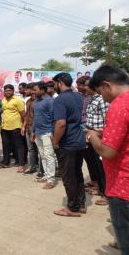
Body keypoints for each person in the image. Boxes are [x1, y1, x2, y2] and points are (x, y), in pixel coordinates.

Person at [86, 65, 129, 253]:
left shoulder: (119, 106)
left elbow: (108, 152)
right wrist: (106, 132)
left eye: (100, 93)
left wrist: (92, 136)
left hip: (123, 184)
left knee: (125, 234)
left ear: (107, 85)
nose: (102, 98)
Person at [51, 73, 86, 217]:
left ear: (59, 83)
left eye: (54, 83)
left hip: (67, 143)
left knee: (68, 176)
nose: (53, 87)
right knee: (77, 173)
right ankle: (81, 203)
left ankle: (73, 208)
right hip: (79, 141)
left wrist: (55, 141)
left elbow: (61, 123)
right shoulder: (79, 96)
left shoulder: (60, 99)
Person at [84, 77, 109, 206]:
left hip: (99, 136)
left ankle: (106, 194)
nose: (84, 88)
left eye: (87, 86)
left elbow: (107, 119)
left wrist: (101, 134)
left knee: (101, 167)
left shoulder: (102, 100)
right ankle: (99, 188)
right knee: (95, 165)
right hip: (91, 135)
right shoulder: (92, 99)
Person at [31, 82, 56, 189]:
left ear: (43, 90)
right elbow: (35, 118)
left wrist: (52, 133)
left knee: (49, 155)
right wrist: (33, 131)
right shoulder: (36, 102)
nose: (33, 92)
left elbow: (53, 118)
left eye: (35, 90)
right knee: (42, 155)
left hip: (47, 133)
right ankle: (46, 175)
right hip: (38, 132)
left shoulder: (50, 101)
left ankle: (51, 179)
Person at [0, 84, 26, 173]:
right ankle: (6, 162)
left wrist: (23, 126)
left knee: (18, 146)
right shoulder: (3, 100)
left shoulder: (18, 101)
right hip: (4, 127)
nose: (7, 92)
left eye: (9, 90)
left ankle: (21, 164)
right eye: (6, 90)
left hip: (16, 127)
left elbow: (23, 115)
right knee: (5, 145)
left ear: (13, 91)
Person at [22, 83, 39, 174]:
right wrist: (24, 126)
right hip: (28, 127)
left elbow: (37, 117)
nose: (25, 91)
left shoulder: (39, 101)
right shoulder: (28, 101)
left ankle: (42, 170)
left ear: (31, 90)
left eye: (26, 89)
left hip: (36, 127)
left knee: (40, 150)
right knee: (31, 149)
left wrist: (34, 130)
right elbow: (27, 115)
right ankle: (32, 167)